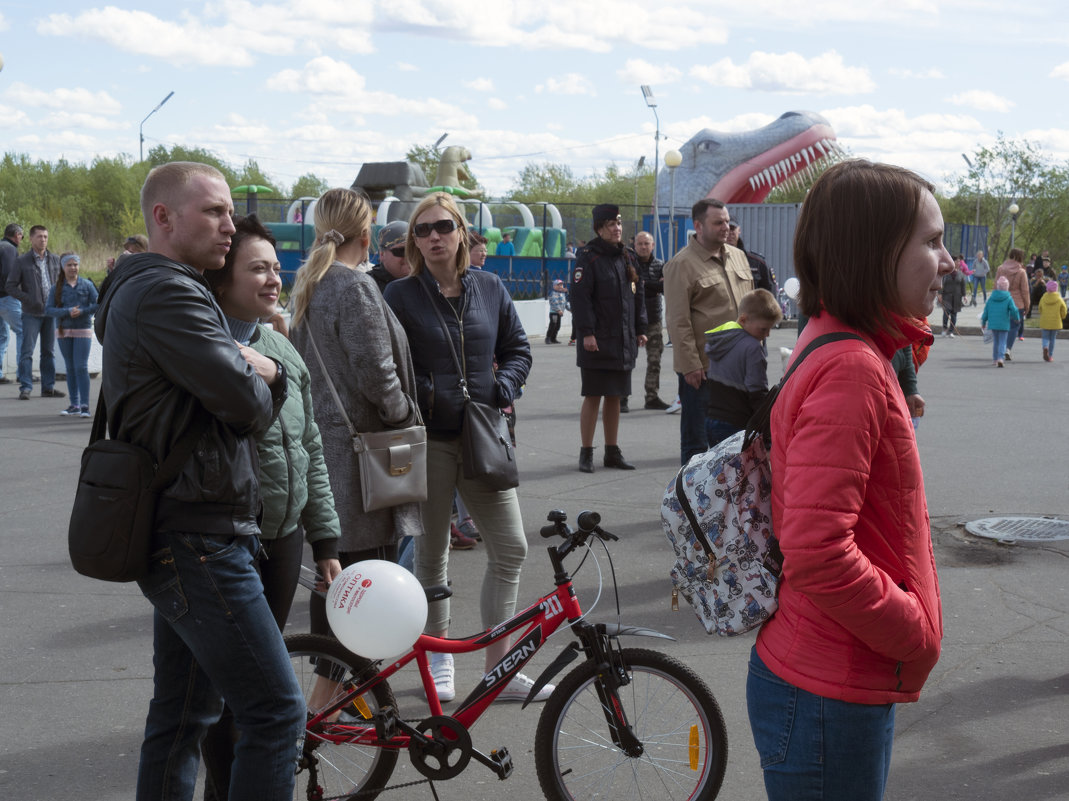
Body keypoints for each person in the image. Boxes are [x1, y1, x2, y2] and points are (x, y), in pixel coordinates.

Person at [94, 161, 303, 801]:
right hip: (199, 534)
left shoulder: (151, 287)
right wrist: (274, 374)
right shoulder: (169, 292)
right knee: (275, 712)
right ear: (163, 217)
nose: (229, 224)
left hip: (184, 526)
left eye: (229, 211)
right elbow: (244, 407)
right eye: (213, 211)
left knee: (185, 714)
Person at [747, 160, 946, 801]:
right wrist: (912, 631)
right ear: (875, 251)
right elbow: (817, 551)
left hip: (829, 677)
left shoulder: (848, 345)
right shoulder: (853, 367)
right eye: (932, 241)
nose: (947, 262)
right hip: (828, 687)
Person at [201, 214, 343, 801]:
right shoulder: (203, 348)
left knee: (255, 686)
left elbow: (309, 444)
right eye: (256, 269)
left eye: (275, 268)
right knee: (235, 692)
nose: (272, 280)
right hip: (228, 541)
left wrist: (326, 539)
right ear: (222, 278)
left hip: (282, 541)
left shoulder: (281, 345)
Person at [383, 192, 539, 704]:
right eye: (423, 229)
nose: (433, 237)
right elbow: (384, 366)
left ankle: (501, 668)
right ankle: (440, 657)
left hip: (482, 436)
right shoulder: (401, 296)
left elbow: (517, 349)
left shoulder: (490, 288)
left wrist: (503, 388)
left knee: (511, 547)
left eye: (443, 227)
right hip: (427, 440)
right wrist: (417, 400)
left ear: (461, 230)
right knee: (431, 557)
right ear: (414, 238)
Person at [288, 188, 423, 624]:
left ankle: (330, 687)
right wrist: (404, 417)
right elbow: (377, 373)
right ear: (366, 236)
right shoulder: (355, 287)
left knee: (336, 575)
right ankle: (340, 687)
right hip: (360, 454)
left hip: (323, 447)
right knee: (364, 580)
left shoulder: (309, 284)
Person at [663, 198, 753, 464]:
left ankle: (725, 503)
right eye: (718, 222)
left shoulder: (737, 256)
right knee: (698, 442)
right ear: (698, 226)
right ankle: (691, 503)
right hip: (703, 369)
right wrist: (691, 365)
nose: (725, 227)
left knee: (734, 440)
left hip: (739, 368)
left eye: (727, 221)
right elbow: (678, 320)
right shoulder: (682, 264)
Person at [570, 204, 647, 472]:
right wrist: (587, 333)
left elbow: (637, 296)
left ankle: (612, 452)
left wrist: (640, 328)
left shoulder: (627, 256)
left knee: (615, 396)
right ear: (599, 229)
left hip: (622, 341)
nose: (616, 228)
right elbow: (580, 299)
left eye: (618, 223)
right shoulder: (588, 257)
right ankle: (586, 452)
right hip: (597, 342)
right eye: (610, 224)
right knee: (593, 396)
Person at [702, 288, 782, 447]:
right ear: (744, 320)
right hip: (736, 423)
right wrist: (766, 432)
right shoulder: (753, 348)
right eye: (764, 329)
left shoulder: (722, 340)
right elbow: (756, 391)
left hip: (712, 418)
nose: (767, 335)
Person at [6, 224, 65, 400]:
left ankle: (48, 387)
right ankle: (25, 387)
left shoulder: (54, 259)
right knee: (27, 352)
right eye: (39, 236)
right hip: (31, 313)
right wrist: (28, 299)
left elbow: (62, 282)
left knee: (49, 352)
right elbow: (10, 286)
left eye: (46, 236)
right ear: (31, 239)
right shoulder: (22, 261)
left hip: (50, 313)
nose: (43, 240)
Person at [44, 253, 97, 416]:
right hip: (63, 331)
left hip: (83, 330)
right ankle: (74, 404)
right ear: (63, 267)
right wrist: (67, 312)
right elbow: (49, 310)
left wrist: (83, 311)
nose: (73, 268)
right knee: (70, 368)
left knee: (81, 367)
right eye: (69, 265)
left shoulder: (87, 285)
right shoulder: (56, 288)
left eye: (75, 264)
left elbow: (98, 304)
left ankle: (85, 406)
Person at [632, 230, 670, 409]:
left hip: (653, 320)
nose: (643, 247)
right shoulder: (629, 265)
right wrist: (650, 286)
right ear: (635, 245)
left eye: (646, 243)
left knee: (654, 360)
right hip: (631, 320)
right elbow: (629, 289)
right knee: (627, 361)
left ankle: (652, 396)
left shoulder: (660, 265)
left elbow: (664, 287)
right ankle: (621, 398)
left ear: (652, 245)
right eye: (640, 243)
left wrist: (644, 284)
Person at [0, 223, 24, 385]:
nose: (21, 239)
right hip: (7, 298)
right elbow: (9, 274)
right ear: (17, 235)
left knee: (2, 336)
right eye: (21, 236)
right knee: (24, 331)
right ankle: (23, 373)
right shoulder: (9, 249)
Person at [995, 248, 1029, 357]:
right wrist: (1027, 306)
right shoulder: (1021, 272)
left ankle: (1002, 347)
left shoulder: (1000, 269)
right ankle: (1007, 349)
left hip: (1002, 302)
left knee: (1003, 326)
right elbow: (1025, 290)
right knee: (1014, 326)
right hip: (1017, 303)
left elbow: (996, 286)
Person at [727, 220, 777, 293]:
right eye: (726, 230)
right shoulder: (712, 262)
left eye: (732, 229)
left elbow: (770, 298)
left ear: (739, 230)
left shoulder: (758, 263)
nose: (729, 233)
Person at [980, 276, 1019, 368]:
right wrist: (1016, 318)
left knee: (996, 341)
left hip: (993, 323)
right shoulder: (1008, 298)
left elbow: (986, 311)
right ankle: (1001, 358)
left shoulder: (991, 298)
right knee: (1003, 341)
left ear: (997, 286)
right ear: (1007, 287)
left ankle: (995, 359)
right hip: (1004, 323)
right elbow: (1014, 310)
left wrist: (983, 322)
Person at [370, 220, 411, 292]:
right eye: (401, 251)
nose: (409, 257)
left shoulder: (425, 281)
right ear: (382, 254)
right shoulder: (368, 285)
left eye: (414, 251)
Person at [1037, 279, 1066, 362]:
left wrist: (1042, 313)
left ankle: (1045, 346)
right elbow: (1064, 309)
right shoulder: (1059, 299)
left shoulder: (1043, 298)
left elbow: (1040, 308)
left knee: (1045, 337)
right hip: (1056, 322)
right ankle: (1050, 355)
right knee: (1053, 339)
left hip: (1045, 321)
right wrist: (1062, 317)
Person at [938, 257, 967, 336]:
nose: (958, 263)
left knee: (954, 315)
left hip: (957, 297)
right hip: (947, 296)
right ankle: (944, 329)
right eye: (956, 261)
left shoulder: (961, 274)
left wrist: (964, 296)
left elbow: (963, 286)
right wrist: (940, 294)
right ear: (952, 262)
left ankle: (951, 331)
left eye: (959, 262)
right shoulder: (946, 273)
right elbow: (941, 284)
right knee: (946, 313)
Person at [546, 278, 568, 344]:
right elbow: (554, 303)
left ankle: (553, 338)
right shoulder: (553, 294)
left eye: (561, 285)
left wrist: (570, 309)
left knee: (558, 326)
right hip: (554, 313)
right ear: (554, 286)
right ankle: (548, 338)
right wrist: (558, 310)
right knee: (553, 324)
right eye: (558, 285)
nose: (560, 287)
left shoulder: (563, 294)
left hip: (559, 313)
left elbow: (565, 303)